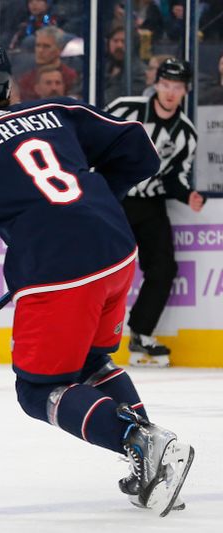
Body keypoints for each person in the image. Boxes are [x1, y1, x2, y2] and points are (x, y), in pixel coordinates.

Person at [0, 41, 193, 517]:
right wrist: (90, 202)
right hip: (117, 252)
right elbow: (142, 152)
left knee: (37, 391)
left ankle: (139, 441)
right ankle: (150, 456)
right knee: (90, 362)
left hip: (58, 275)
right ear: (7, 85)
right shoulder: (55, 109)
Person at [105, 58, 205, 368]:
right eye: (165, 85)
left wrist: (187, 194)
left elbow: (175, 176)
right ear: (156, 84)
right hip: (113, 199)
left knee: (163, 267)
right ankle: (88, 335)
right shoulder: (126, 109)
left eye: (177, 87)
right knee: (99, 267)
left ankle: (141, 333)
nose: (170, 93)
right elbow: (94, 139)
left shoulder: (186, 134)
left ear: (185, 91)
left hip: (150, 205)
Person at [16, 26, 79, 102]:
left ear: (59, 50)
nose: (40, 50)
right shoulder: (26, 80)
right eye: (38, 45)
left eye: (46, 46)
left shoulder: (71, 77)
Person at [104, 25, 146, 105]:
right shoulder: (103, 67)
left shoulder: (139, 72)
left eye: (124, 41)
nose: (119, 45)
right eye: (115, 41)